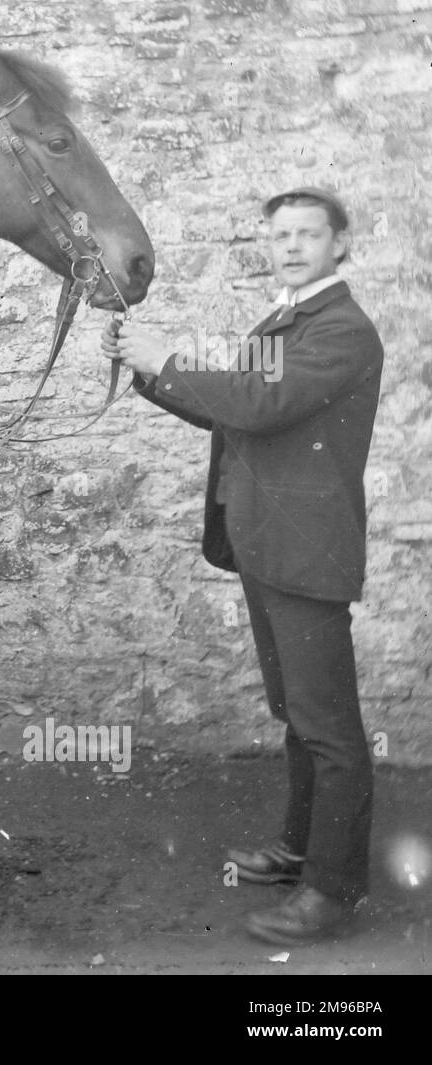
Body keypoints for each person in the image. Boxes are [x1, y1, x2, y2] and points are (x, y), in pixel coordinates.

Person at [100, 187, 385, 945]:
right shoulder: (282, 320)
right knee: (299, 713)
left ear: (341, 244)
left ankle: (332, 893)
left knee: (329, 730)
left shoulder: (343, 330)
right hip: (268, 547)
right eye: (280, 235)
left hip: (307, 555)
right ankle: (301, 848)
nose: (291, 246)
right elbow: (236, 407)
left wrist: (171, 359)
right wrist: (149, 370)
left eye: (308, 234)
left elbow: (259, 402)